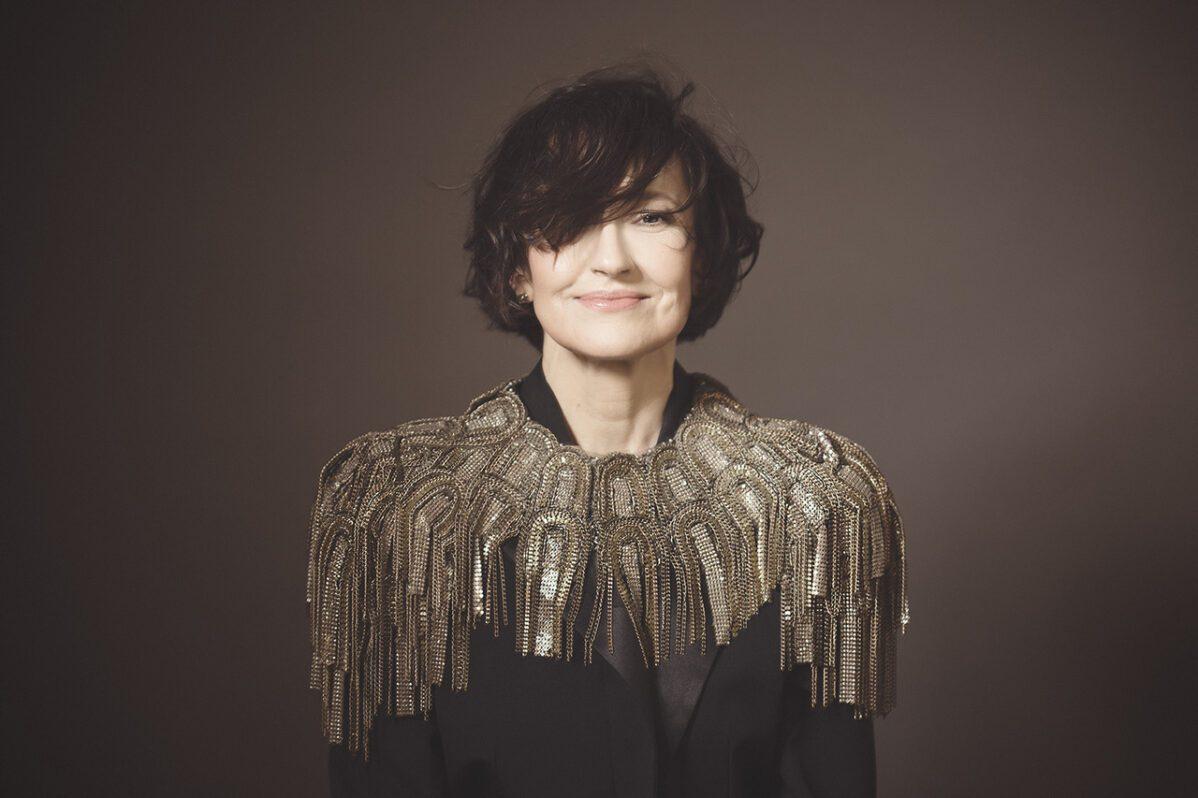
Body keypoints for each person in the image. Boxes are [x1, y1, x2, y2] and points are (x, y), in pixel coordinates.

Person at [306, 63, 909, 797]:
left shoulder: (816, 504)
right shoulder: (405, 513)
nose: (613, 260)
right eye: (572, 219)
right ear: (519, 267)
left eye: (652, 217)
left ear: (701, 255)